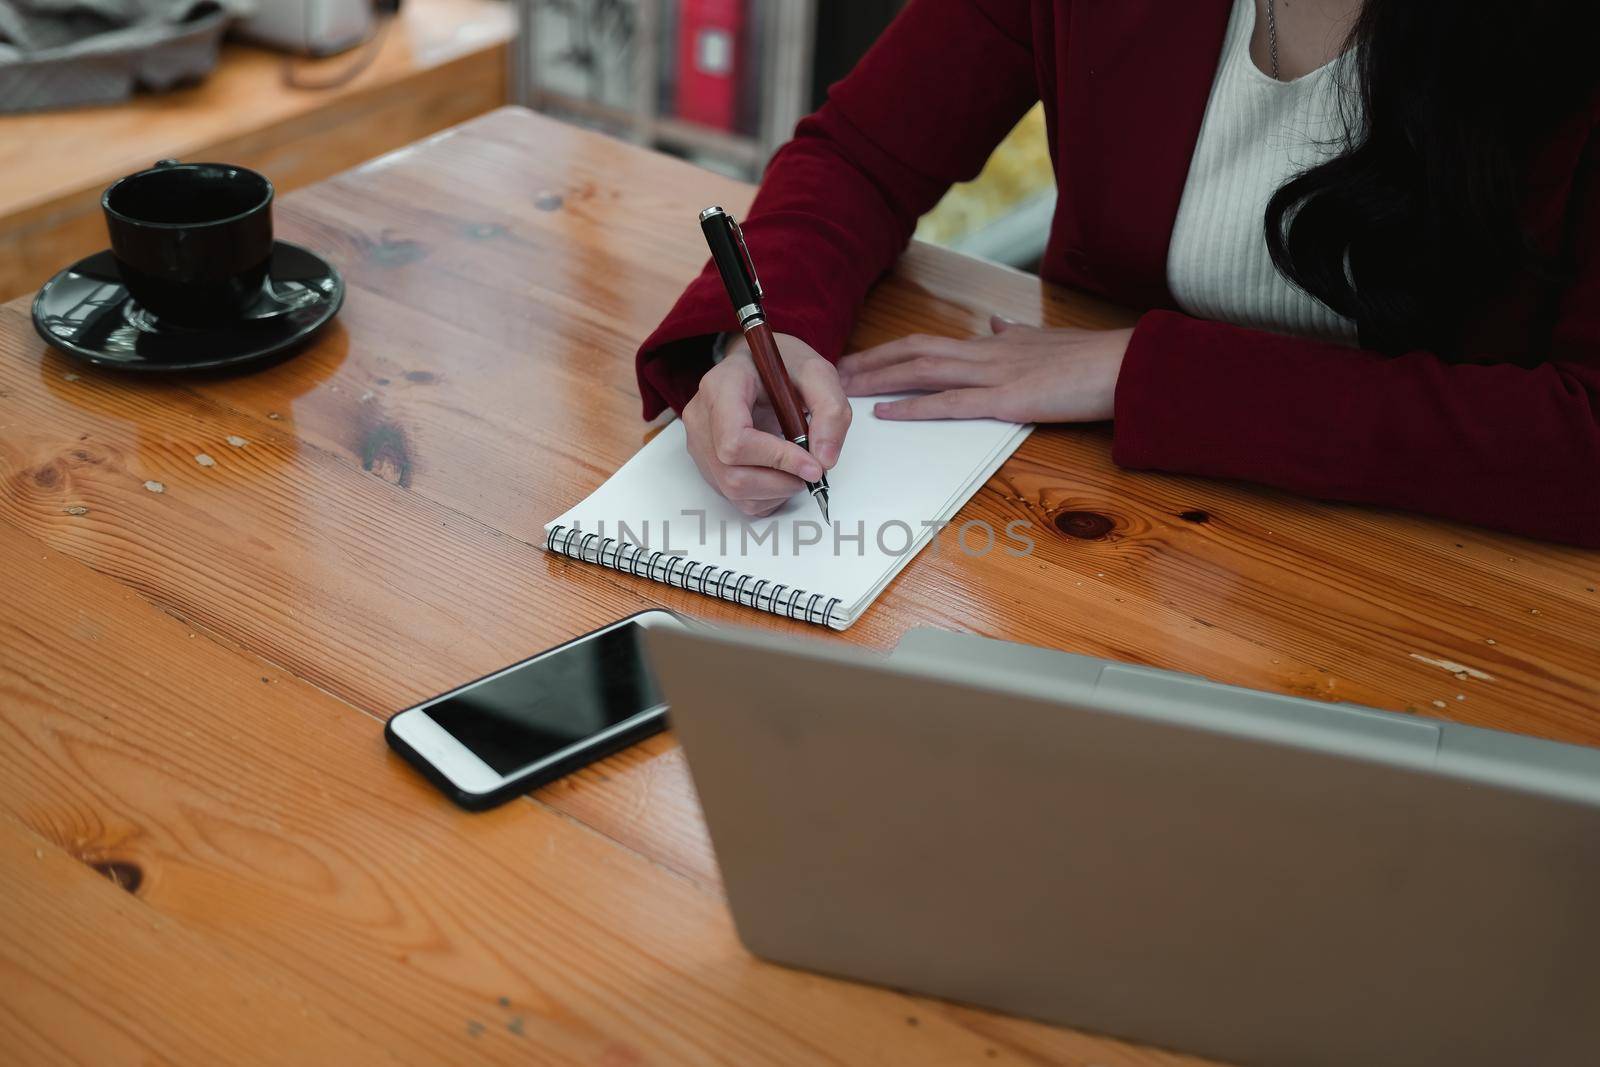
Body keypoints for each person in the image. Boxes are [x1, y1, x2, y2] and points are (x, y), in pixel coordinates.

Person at [635, 0, 1600, 547]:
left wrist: (1147, 370)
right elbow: (861, 155)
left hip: (1439, 589)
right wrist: (768, 334)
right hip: (1098, 537)